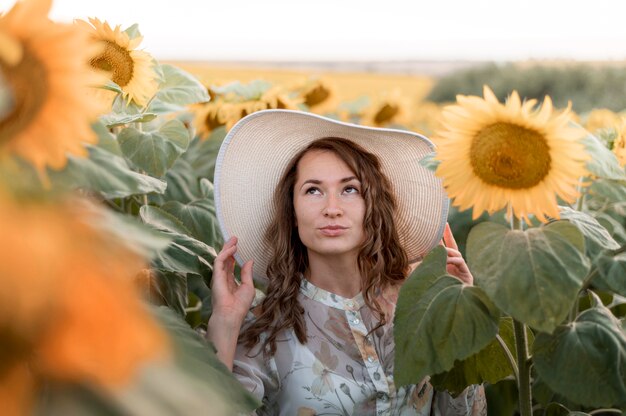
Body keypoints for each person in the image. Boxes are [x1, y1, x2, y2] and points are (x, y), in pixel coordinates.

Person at [207, 110, 486, 415]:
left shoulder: (419, 304)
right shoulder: (265, 328)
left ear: (373, 206)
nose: (332, 208)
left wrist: (459, 317)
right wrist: (225, 321)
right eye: (313, 190)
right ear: (292, 213)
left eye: (349, 189)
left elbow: (460, 408)